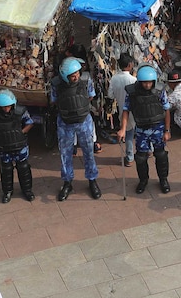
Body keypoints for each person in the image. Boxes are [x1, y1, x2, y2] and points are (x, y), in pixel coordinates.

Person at [51, 57, 101, 201]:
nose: (76, 77)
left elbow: (90, 96)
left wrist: (79, 106)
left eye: (78, 73)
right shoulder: (56, 84)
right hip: (65, 123)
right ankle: (67, 183)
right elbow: (54, 100)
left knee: (89, 152)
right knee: (65, 154)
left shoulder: (85, 80)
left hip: (84, 121)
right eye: (73, 76)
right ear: (65, 76)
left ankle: (92, 180)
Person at [118, 64, 172, 195]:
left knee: (161, 155)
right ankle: (143, 180)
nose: (147, 85)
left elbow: (167, 110)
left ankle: (163, 180)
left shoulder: (160, 91)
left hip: (158, 128)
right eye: (144, 83)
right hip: (141, 129)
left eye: (149, 83)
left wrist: (167, 130)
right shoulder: (132, 93)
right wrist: (123, 129)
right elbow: (126, 110)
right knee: (141, 158)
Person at [0, 90, 35, 203]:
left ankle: (27, 190)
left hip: (20, 146)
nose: (6, 109)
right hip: (3, 148)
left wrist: (20, 133)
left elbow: (30, 123)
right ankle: (7, 191)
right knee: (6, 170)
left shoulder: (20, 112)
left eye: (8, 106)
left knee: (23, 168)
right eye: (3, 107)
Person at [108, 54, 136, 166]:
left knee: (128, 133)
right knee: (140, 131)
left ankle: (129, 158)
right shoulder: (134, 79)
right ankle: (149, 150)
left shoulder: (114, 79)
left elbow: (110, 95)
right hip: (135, 111)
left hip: (122, 111)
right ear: (130, 65)